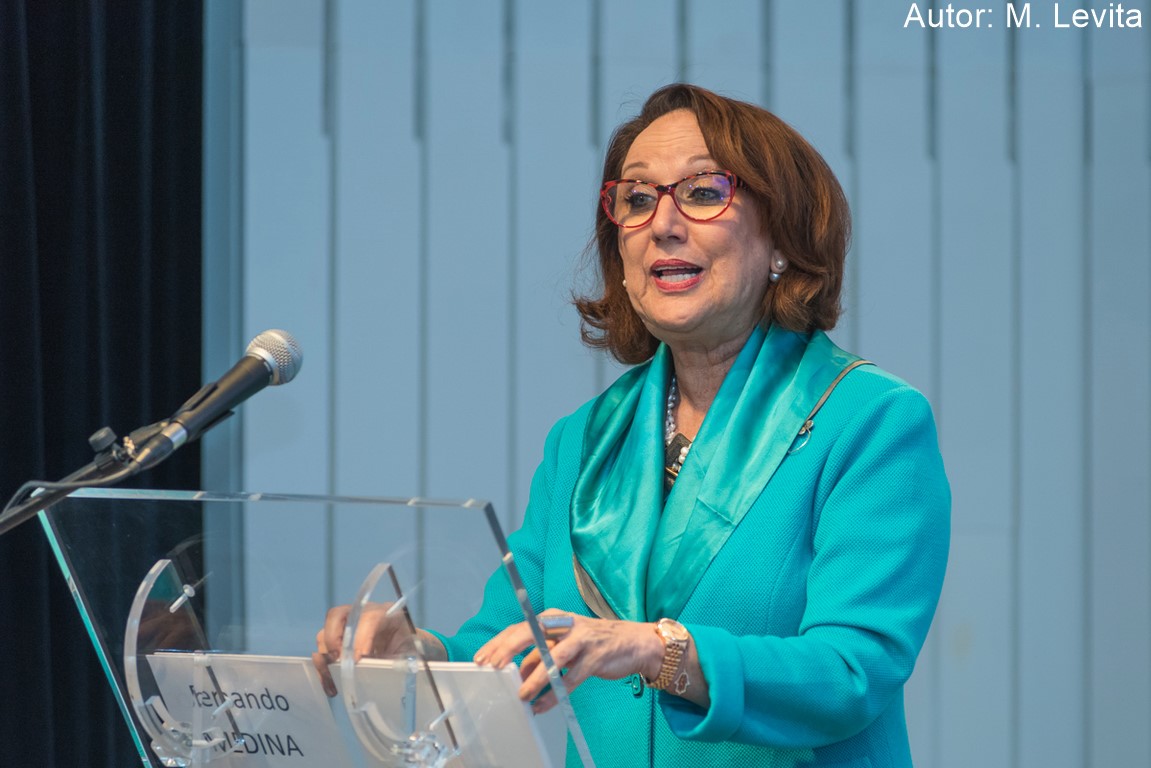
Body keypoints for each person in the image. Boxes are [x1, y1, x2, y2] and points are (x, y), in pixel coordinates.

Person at [316, 83, 950, 767]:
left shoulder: (870, 421)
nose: (662, 224)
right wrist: (414, 652)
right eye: (638, 199)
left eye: (703, 192)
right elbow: (511, 639)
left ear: (782, 240)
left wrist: (657, 649)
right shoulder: (583, 441)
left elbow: (853, 670)